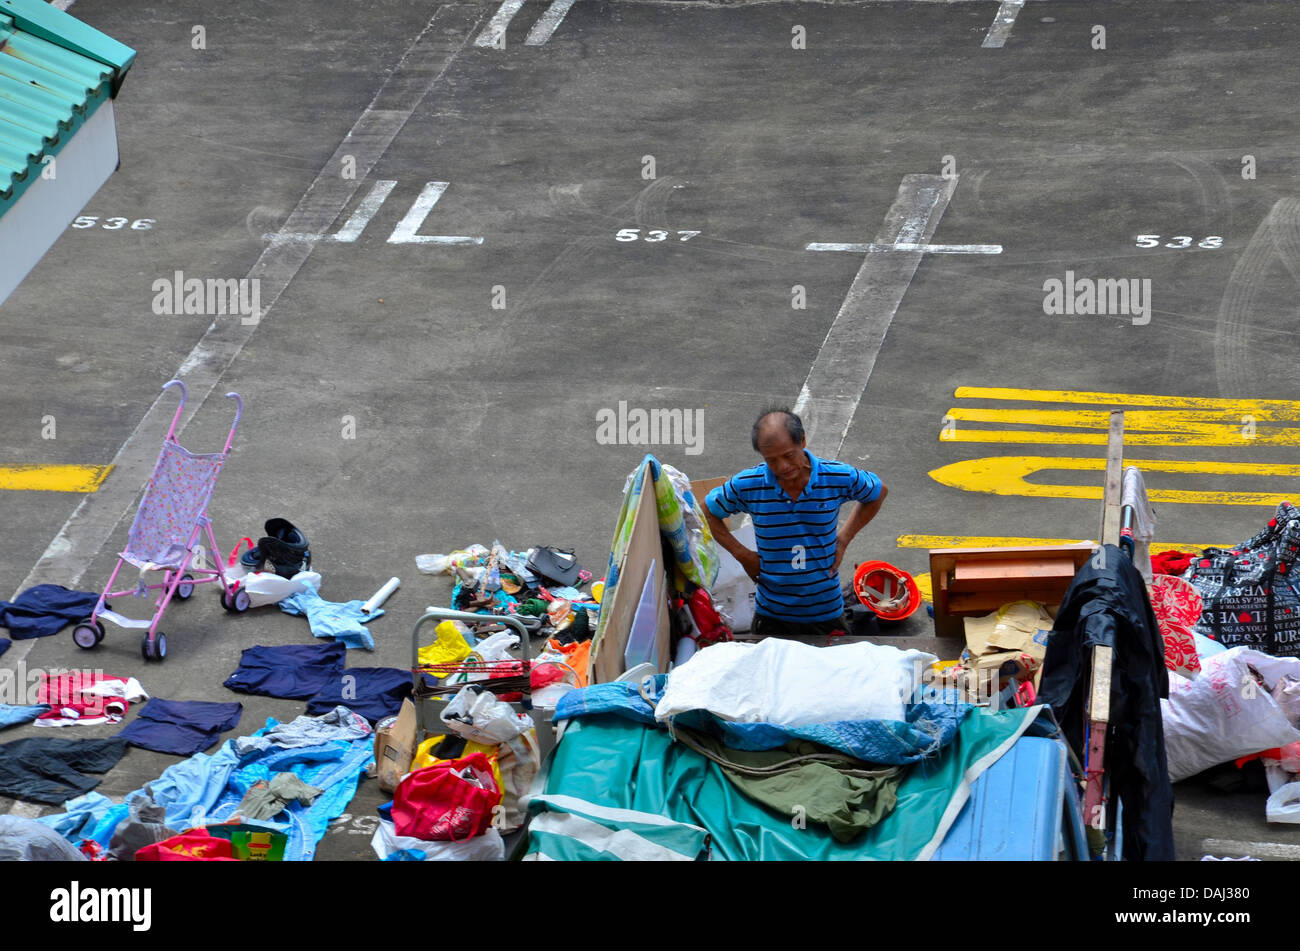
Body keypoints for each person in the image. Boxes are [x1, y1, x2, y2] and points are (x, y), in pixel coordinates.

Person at [704, 408, 887, 639]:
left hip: (826, 613)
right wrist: (743, 555)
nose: (782, 467)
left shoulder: (836, 477)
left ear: (802, 441)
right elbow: (707, 511)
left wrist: (843, 539)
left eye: (789, 455)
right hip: (771, 617)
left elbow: (877, 493)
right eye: (771, 460)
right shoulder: (748, 485)